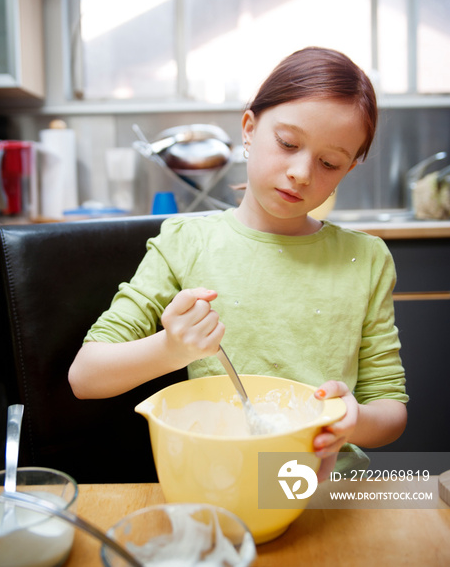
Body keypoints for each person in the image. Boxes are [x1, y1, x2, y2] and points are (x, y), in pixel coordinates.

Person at [69, 47, 408, 480]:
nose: (302, 173)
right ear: (248, 129)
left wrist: (352, 418)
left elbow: (390, 410)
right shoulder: (185, 242)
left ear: (349, 168)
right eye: (287, 143)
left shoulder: (367, 259)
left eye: (329, 163)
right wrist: (171, 349)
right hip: (220, 480)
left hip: (326, 489)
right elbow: (86, 376)